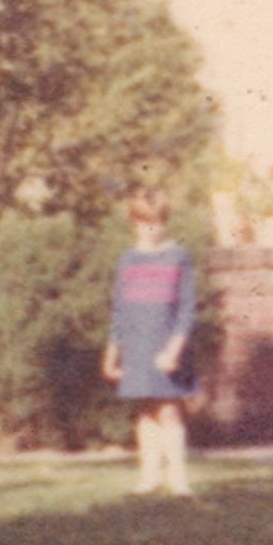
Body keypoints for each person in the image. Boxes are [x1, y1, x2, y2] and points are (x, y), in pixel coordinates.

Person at [102, 191, 200, 496]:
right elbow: (120, 310)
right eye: (145, 224)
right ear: (134, 223)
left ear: (165, 222)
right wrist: (112, 353)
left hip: (167, 346)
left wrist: (174, 349)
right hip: (137, 345)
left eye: (157, 223)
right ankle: (149, 477)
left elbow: (186, 308)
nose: (152, 230)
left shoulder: (178, 258)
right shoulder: (128, 260)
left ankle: (178, 477)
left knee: (169, 410)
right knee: (145, 410)